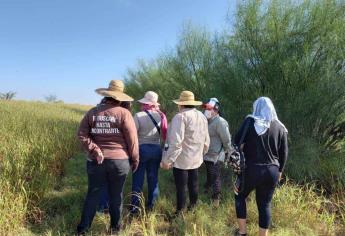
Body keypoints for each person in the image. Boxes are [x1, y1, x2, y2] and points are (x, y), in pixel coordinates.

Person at [76, 80, 139, 235]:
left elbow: (81, 134)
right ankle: (115, 229)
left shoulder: (92, 112)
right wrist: (135, 158)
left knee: (93, 194)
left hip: (96, 162)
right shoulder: (124, 113)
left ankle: (83, 230)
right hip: (120, 162)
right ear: (120, 97)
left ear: (106, 95)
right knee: (116, 195)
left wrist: (94, 148)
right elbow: (132, 140)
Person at [233, 97, 288, 236]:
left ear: (256, 107)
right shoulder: (280, 126)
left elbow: (237, 140)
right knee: (264, 204)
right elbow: (284, 152)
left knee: (240, 196)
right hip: (272, 171)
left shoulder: (249, 121)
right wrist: (280, 170)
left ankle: (242, 232)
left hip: (251, 169)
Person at [160, 90, 210, 213]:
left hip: (181, 160)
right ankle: (193, 208)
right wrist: (202, 153)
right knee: (193, 185)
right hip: (196, 158)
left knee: (181, 187)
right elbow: (206, 139)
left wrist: (167, 160)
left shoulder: (180, 117)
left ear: (181, 104)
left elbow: (176, 143)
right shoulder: (202, 116)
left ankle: (180, 212)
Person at [131, 91, 168, 213]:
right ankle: (152, 205)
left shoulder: (138, 115)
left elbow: (133, 134)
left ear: (146, 103)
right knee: (153, 178)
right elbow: (165, 134)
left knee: (138, 179)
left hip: (142, 149)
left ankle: (135, 207)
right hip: (157, 149)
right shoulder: (161, 116)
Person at [202, 98, 232, 207]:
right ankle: (207, 190)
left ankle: (216, 200)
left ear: (216, 110)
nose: (206, 110)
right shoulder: (206, 120)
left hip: (216, 155)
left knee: (215, 177)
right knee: (210, 175)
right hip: (206, 155)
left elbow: (226, 139)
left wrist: (229, 151)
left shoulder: (220, 122)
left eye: (209, 108)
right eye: (206, 108)